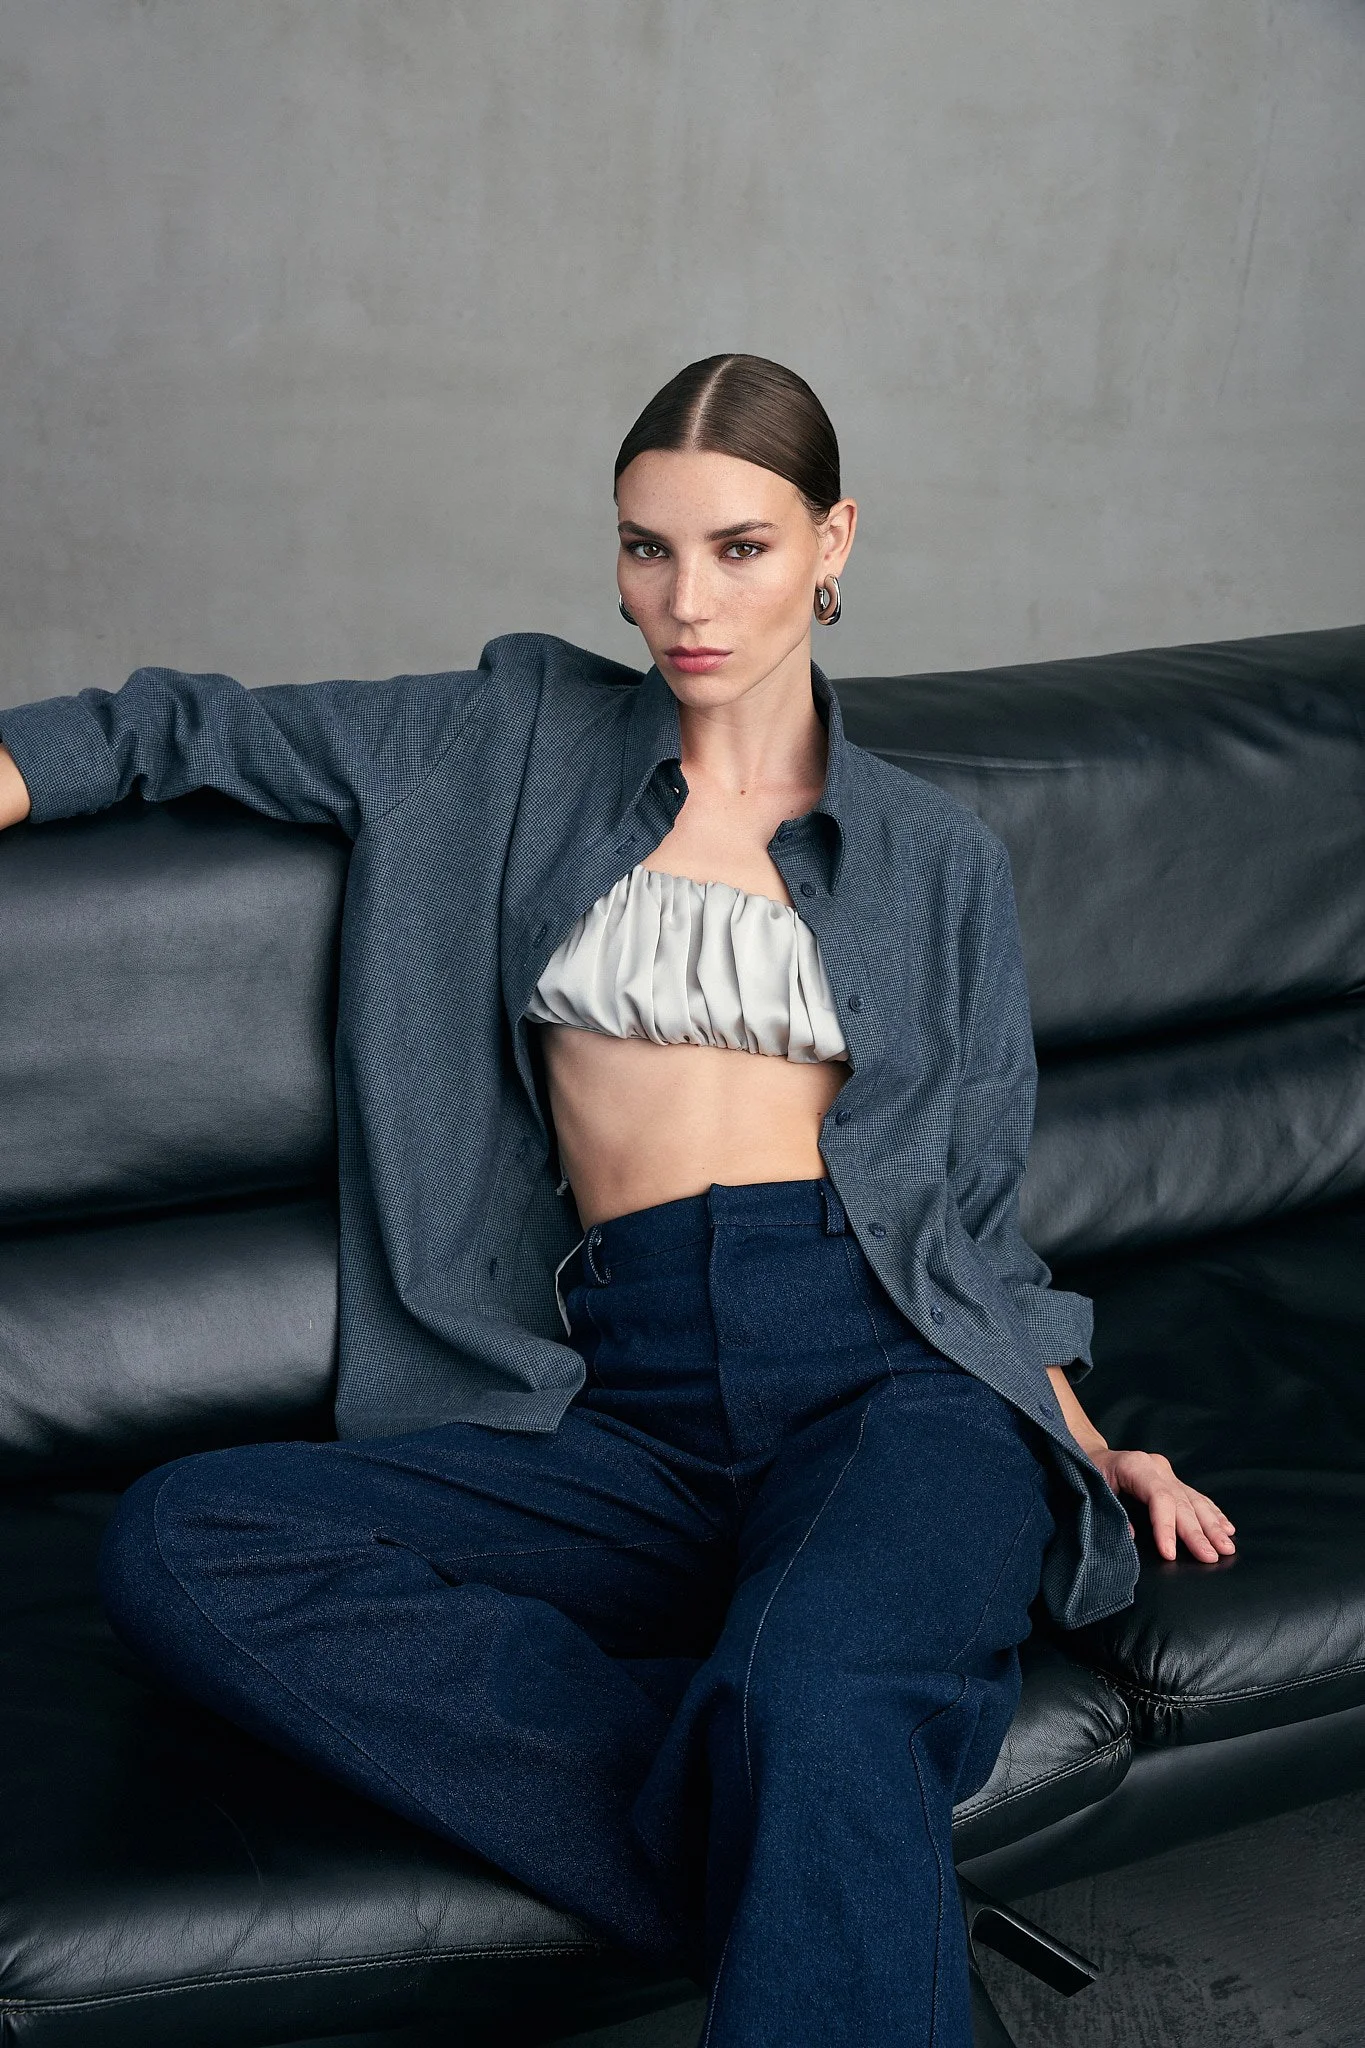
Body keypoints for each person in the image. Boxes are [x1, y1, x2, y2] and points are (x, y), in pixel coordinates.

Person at [0, 354, 1235, 2047]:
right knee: (183, 1543)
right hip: (607, 1413)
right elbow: (185, 725)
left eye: (737, 546)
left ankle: (810, 1783)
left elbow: (969, 1212)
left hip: (890, 1384)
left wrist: (1080, 1434)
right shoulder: (500, 739)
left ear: (832, 541)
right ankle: (831, 1854)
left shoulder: (934, 856)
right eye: (647, 549)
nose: (685, 599)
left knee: (812, 1686)